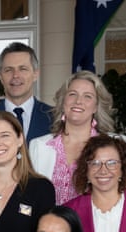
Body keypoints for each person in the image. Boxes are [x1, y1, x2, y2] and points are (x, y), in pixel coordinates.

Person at [28, 71, 116, 206]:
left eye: (88, 96)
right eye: (72, 94)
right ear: (63, 101)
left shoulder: (114, 145)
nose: (78, 101)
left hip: (94, 226)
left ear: (96, 107)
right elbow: (29, 198)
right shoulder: (38, 146)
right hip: (49, 225)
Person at [0, 42, 53, 141]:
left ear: (35, 74)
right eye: (9, 70)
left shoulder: (54, 118)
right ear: (0, 77)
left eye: (23, 69)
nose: (15, 75)